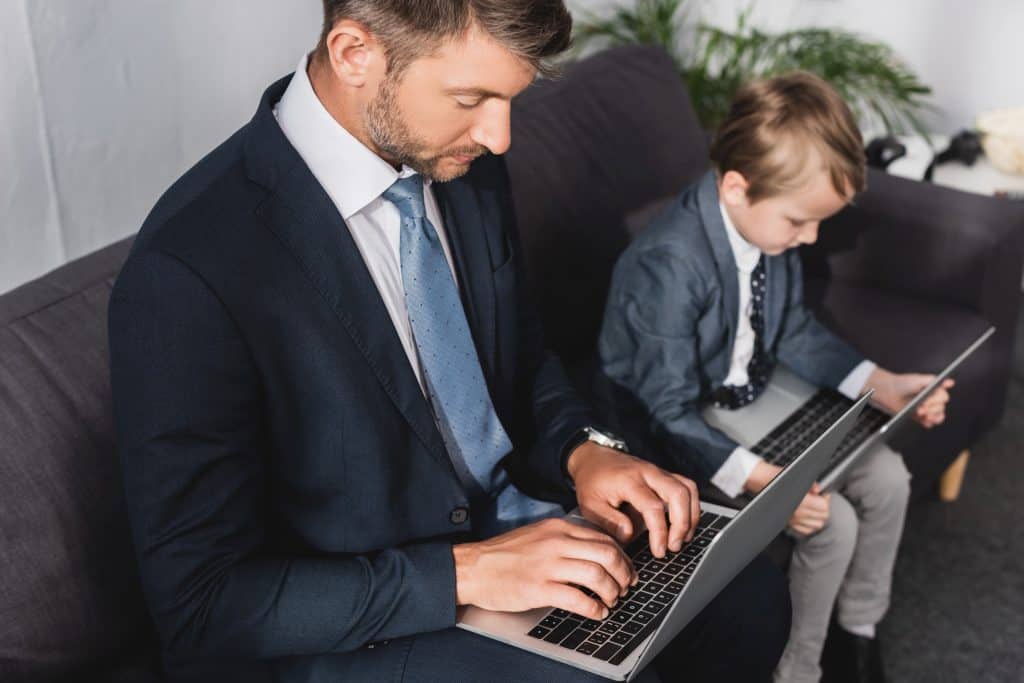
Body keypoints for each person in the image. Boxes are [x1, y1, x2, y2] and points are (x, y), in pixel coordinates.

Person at [108, 2, 791, 681]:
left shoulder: (463, 168)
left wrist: (584, 451)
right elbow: (203, 601)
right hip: (353, 628)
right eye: (472, 97)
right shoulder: (189, 270)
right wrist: (468, 571)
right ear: (354, 53)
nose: (499, 136)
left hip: (511, 533)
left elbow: (521, 359)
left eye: (509, 99)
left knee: (747, 596)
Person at [596, 71, 954, 683]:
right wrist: (764, 481)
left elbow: (792, 333)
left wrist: (880, 379)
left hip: (747, 390)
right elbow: (668, 412)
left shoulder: (769, 231)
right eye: (799, 222)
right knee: (832, 523)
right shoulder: (670, 266)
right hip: (673, 419)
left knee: (890, 476)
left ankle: (858, 632)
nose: (809, 239)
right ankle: (799, 671)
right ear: (737, 187)